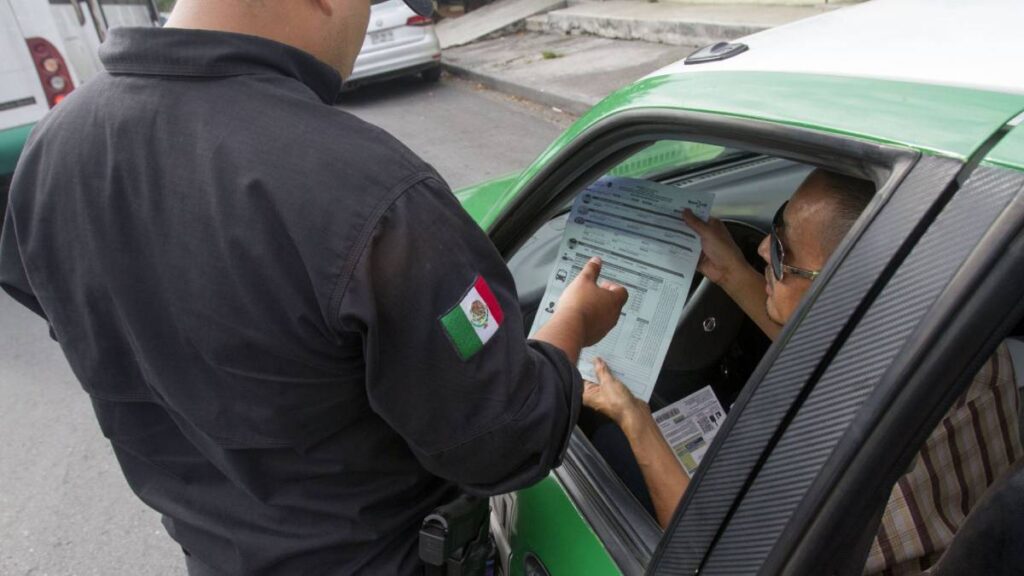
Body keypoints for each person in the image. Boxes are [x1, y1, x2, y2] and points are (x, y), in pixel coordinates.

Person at [0, 1, 629, 574]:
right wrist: (572, 321)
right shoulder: (369, 193)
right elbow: (505, 442)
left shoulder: (52, 153)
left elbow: (65, 304)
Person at [583, 168, 1022, 574]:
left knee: (611, 445)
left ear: (845, 283)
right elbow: (842, 355)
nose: (761, 249)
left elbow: (712, 557)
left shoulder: (841, 451)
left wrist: (633, 417)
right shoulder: (958, 331)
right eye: (775, 227)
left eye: (781, 250)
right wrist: (732, 273)